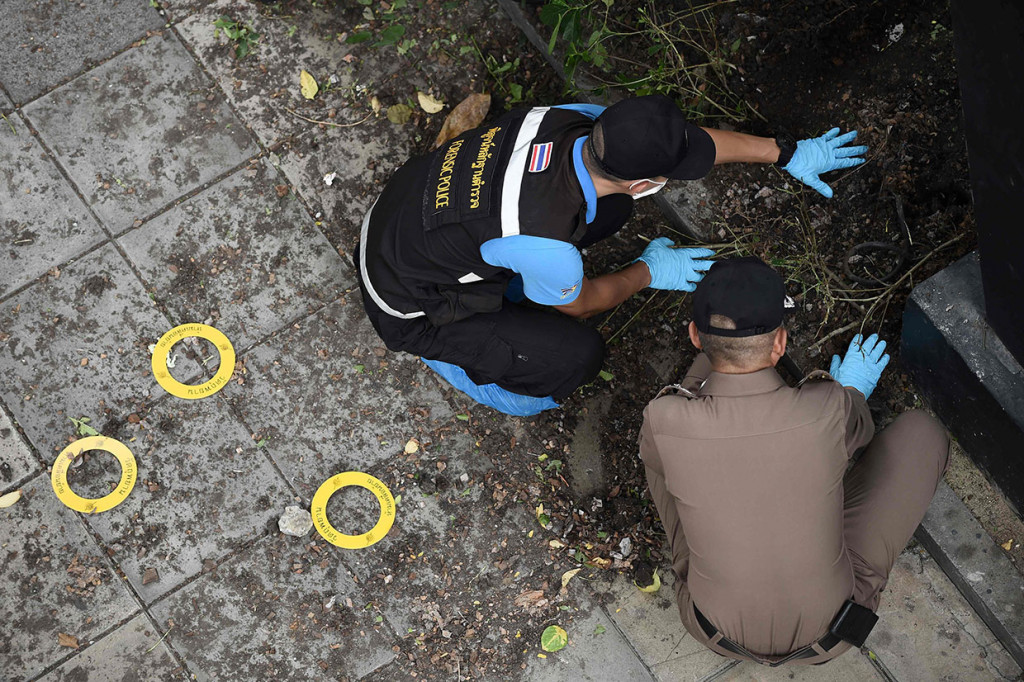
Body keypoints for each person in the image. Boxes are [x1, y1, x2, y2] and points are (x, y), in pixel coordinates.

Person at [356, 95, 867, 416]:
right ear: (647, 182)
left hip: (402, 216)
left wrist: (787, 152)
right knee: (574, 359)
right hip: (409, 301)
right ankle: (450, 357)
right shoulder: (546, 241)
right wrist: (648, 271)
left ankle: (504, 285)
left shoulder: (573, 119)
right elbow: (579, 303)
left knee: (611, 210)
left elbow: (685, 145)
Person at [638, 257, 949, 667]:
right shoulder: (829, 407)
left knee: (656, 453)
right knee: (922, 434)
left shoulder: (664, 418)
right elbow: (860, 428)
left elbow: (662, 453)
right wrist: (850, 388)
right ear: (781, 344)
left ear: (695, 335)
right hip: (831, 633)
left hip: (711, 629)